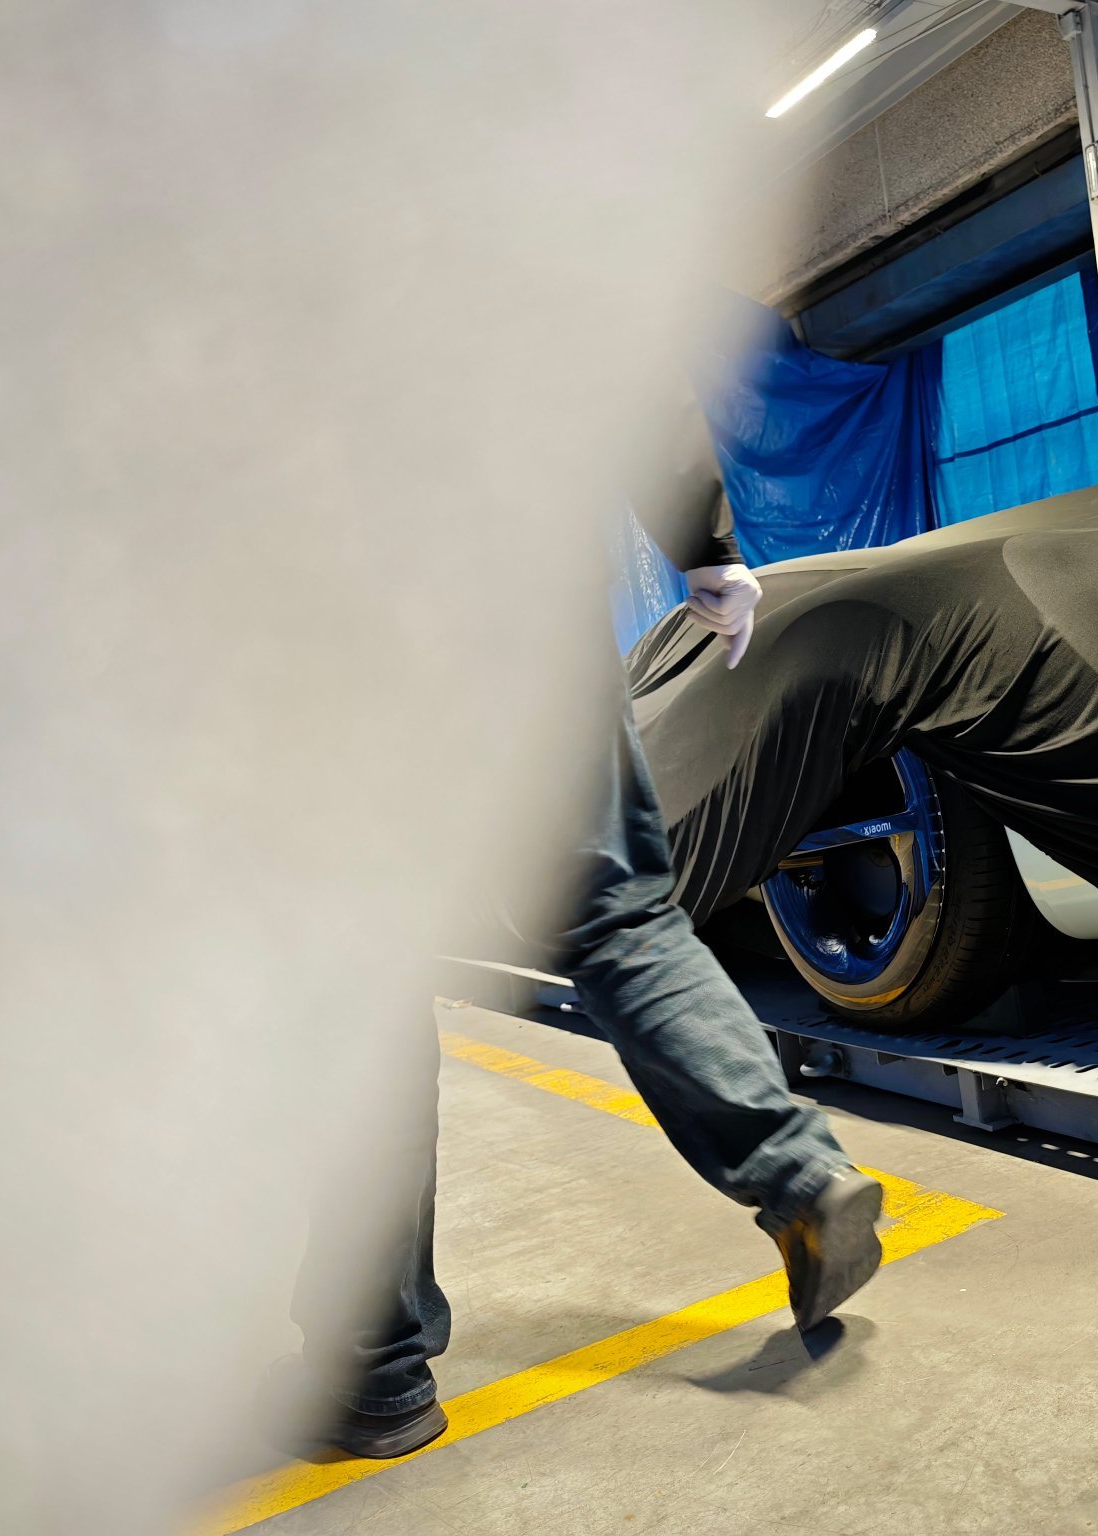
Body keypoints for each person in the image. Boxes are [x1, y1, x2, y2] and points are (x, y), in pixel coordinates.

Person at [273, 403, 883, 1460]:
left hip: (338, 605)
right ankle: (795, 1173)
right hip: (528, 589)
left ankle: (373, 1369)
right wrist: (706, 547)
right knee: (616, 911)